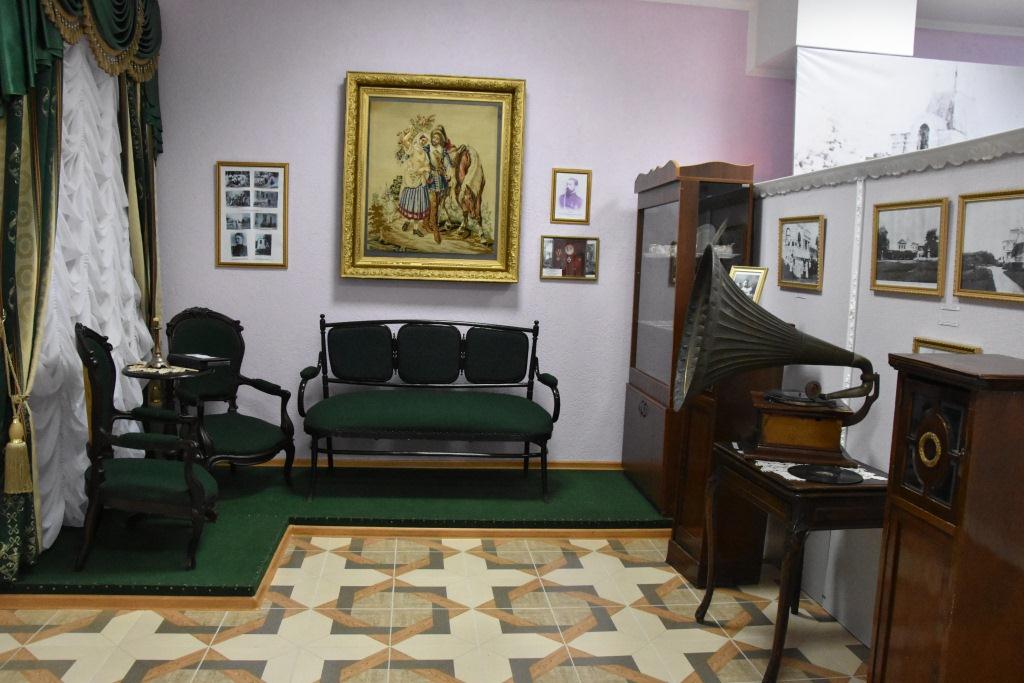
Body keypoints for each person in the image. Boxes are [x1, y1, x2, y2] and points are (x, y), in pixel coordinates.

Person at [397, 132, 431, 234]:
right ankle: (407, 221)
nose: (423, 142)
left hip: (420, 180)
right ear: (418, 139)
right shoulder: (412, 149)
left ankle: (415, 229)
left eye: (425, 141)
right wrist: (410, 132)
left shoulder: (424, 153)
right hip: (411, 179)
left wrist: (424, 169)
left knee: (418, 204)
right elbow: (404, 141)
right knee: (410, 202)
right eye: (422, 140)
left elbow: (427, 166)